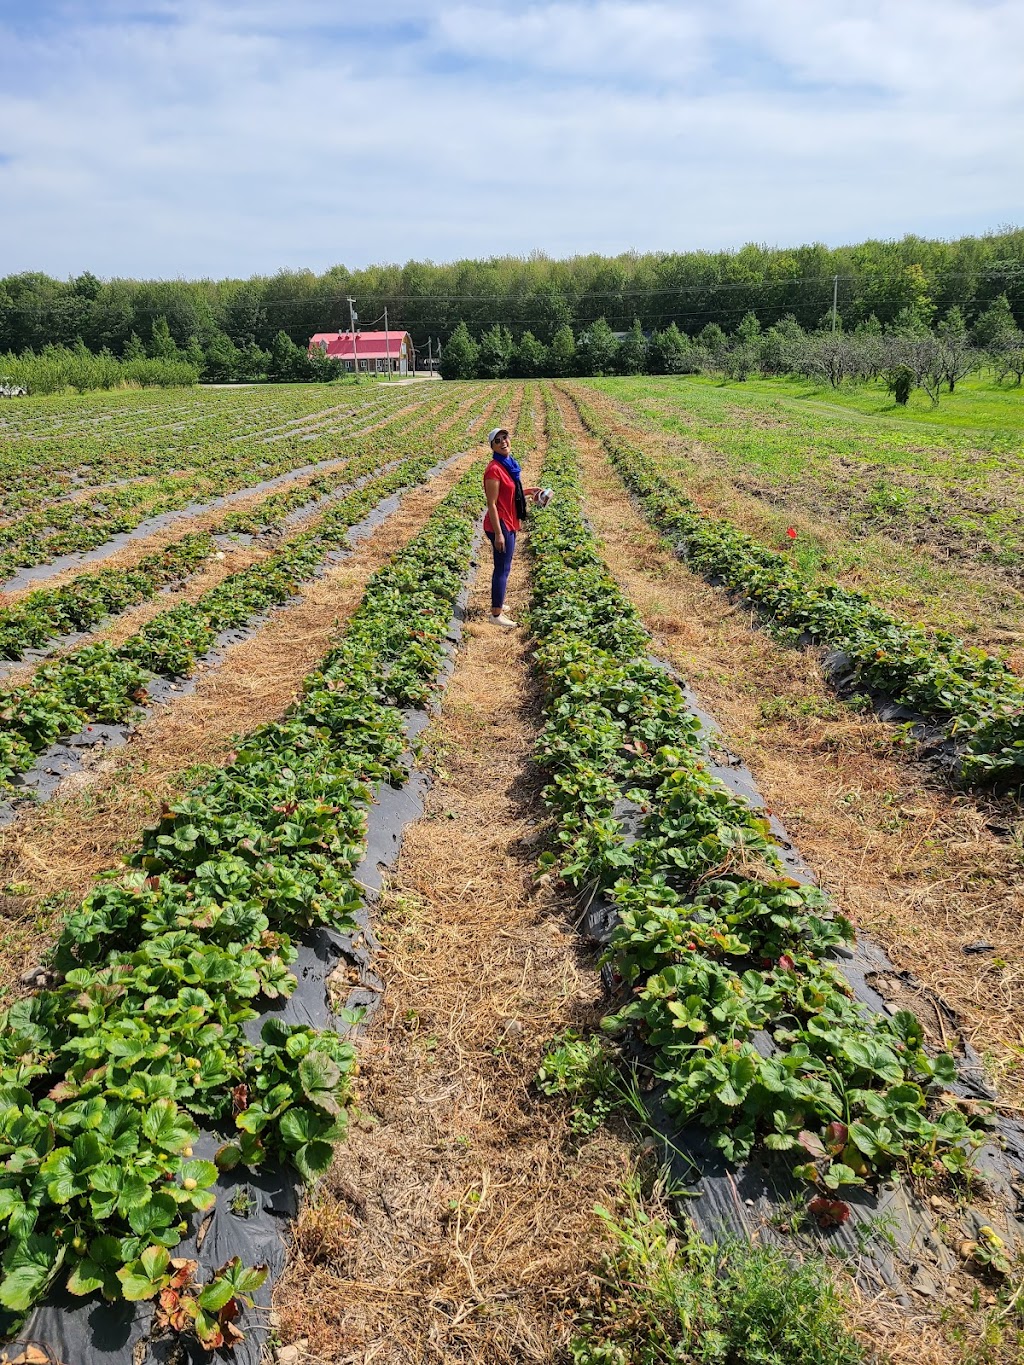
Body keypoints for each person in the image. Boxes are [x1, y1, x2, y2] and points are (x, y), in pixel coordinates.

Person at [482, 427, 541, 627]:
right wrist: (499, 534)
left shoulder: (509, 464)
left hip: (509, 521)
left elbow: (511, 493)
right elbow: (492, 504)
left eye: (504, 437)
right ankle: (496, 615)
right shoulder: (494, 469)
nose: (503, 442)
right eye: (497, 441)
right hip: (500, 524)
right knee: (502, 568)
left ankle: (499, 603)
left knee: (505, 567)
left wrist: (528, 491)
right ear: (492, 446)